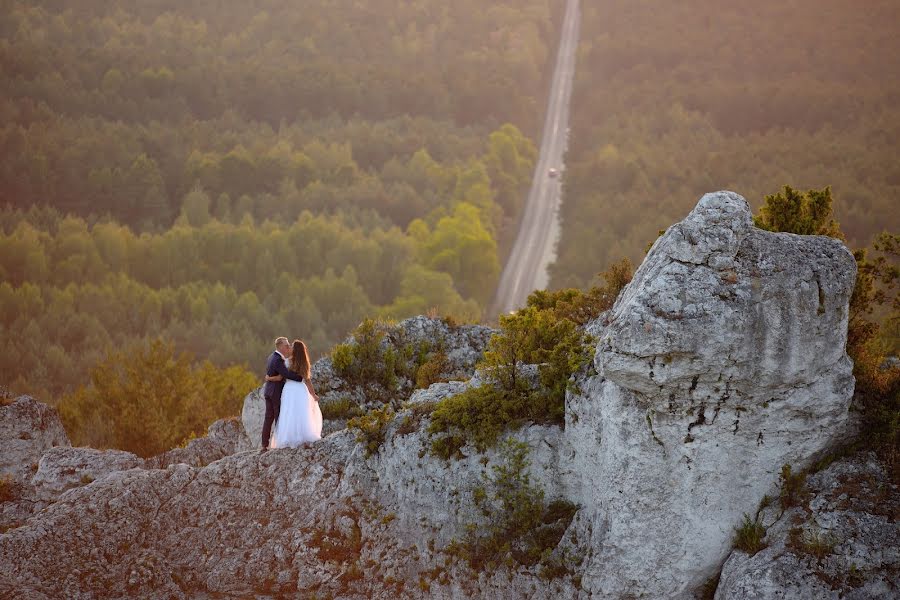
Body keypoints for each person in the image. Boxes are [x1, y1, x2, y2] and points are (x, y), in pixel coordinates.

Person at [266, 339, 322, 448]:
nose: (289, 347)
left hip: (290, 389)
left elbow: (280, 377)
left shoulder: (286, 361)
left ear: (295, 350)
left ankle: (289, 437)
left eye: (291, 346)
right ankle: (302, 436)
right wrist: (313, 394)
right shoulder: (304, 363)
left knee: (289, 412)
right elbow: (307, 380)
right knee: (301, 412)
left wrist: (269, 378)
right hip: (301, 390)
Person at [260, 336, 304, 453]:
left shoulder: (271, 357)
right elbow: (286, 374)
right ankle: (280, 442)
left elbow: (278, 375)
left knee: (268, 419)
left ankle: (264, 445)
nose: (288, 347)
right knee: (279, 417)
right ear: (280, 347)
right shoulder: (278, 360)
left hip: (268, 391)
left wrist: (270, 378)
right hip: (275, 392)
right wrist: (299, 377)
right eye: (286, 345)